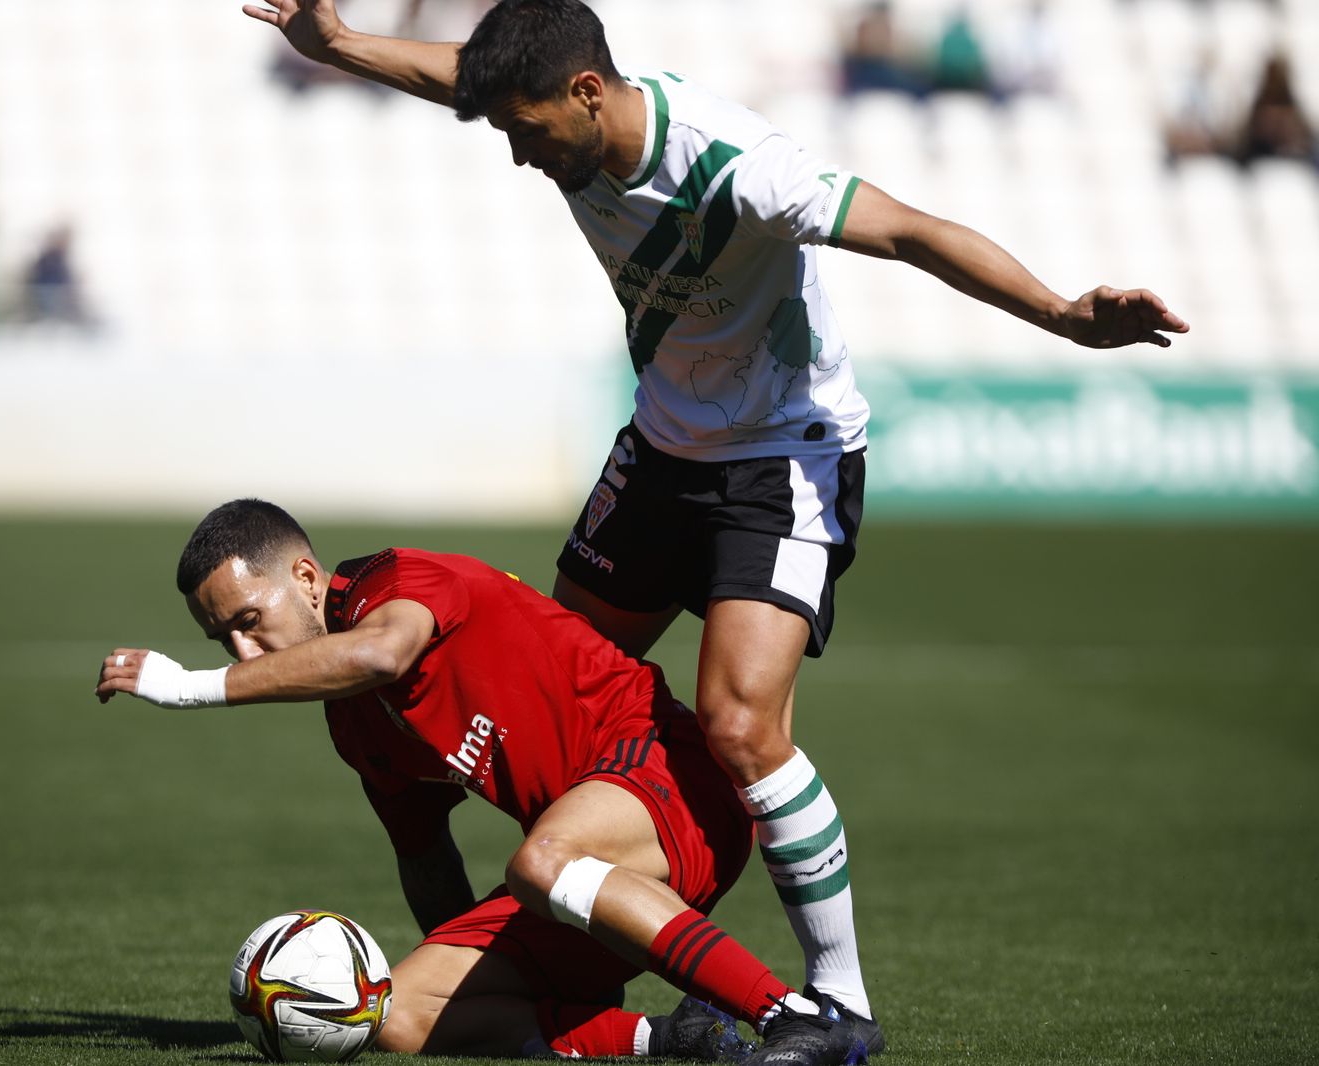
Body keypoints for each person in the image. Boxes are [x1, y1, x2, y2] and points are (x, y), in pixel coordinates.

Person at [241, 0, 1190, 1054]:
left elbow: (913, 231)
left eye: (524, 130)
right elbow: (455, 74)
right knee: (558, 699)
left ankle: (839, 1003)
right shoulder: (554, 104)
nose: (516, 157)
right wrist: (339, 47)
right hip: (660, 453)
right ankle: (596, 945)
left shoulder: (738, 167)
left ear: (586, 94)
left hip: (784, 456)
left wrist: (1060, 313)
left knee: (738, 723)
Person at [95, 498, 880, 1066]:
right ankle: (670, 1039)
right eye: (219, 639)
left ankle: (798, 1016)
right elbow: (426, 858)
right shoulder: (353, 725)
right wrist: (496, 972)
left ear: (305, 576)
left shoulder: (394, 584)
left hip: (669, 774)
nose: (241, 651)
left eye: (246, 619)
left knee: (542, 862)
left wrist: (189, 687)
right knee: (392, 1015)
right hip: (598, 871)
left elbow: (379, 654)